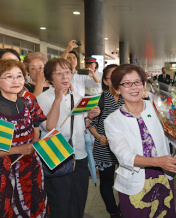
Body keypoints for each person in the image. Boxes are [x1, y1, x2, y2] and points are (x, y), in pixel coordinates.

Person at [104, 64, 176, 218]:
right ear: (116, 89)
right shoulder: (112, 120)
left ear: (144, 84)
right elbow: (125, 156)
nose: (133, 87)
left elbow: (173, 135)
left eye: (137, 82)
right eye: (126, 83)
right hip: (135, 183)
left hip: (163, 177)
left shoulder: (158, 108)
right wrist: (158, 162)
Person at [37, 58, 99, 218]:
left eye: (67, 72)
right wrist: (57, 99)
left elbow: (79, 126)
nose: (65, 77)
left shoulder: (76, 96)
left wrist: (90, 118)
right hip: (57, 155)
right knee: (59, 202)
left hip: (79, 155)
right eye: (59, 73)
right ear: (50, 77)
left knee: (79, 199)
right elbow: (48, 127)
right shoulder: (43, 99)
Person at [0, 59, 49, 217]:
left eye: (19, 76)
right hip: (5, 173)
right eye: (9, 76)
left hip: (31, 171)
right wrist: (18, 149)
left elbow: (36, 135)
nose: (15, 81)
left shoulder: (29, 104)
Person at [88, 64, 122, 218]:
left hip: (125, 150)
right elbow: (91, 125)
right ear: (105, 81)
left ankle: (125, 208)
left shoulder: (128, 98)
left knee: (126, 182)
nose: (117, 81)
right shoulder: (100, 99)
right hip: (104, 149)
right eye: (112, 78)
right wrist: (100, 137)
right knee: (107, 183)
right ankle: (113, 211)